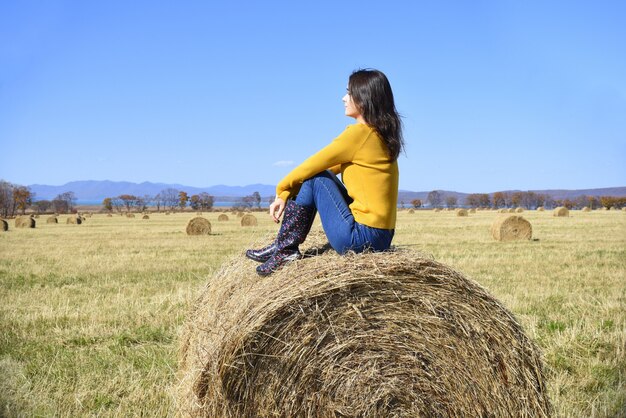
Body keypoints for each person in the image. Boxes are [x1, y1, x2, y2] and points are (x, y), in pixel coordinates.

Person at [246, 68, 404, 276]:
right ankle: (283, 246)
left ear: (364, 99)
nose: (343, 98)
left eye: (349, 93)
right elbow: (331, 168)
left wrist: (282, 189)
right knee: (318, 177)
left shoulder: (358, 134)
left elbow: (313, 165)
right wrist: (288, 192)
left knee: (316, 178)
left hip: (360, 239)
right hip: (381, 237)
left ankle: (285, 249)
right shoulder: (380, 137)